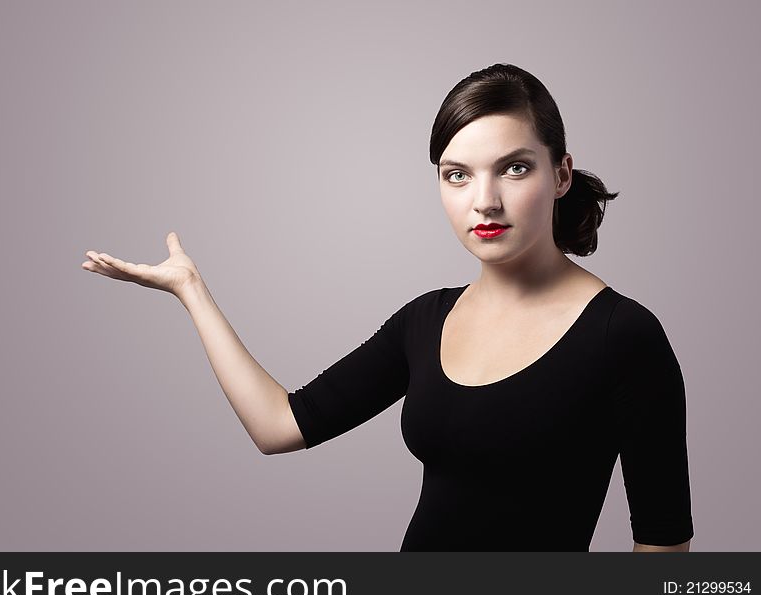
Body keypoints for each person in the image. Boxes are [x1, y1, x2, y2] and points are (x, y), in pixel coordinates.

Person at [81, 63, 693, 552]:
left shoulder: (624, 336)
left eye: (514, 168)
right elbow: (278, 425)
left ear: (560, 175)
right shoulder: (424, 321)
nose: (485, 200)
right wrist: (191, 291)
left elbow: (664, 557)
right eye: (457, 175)